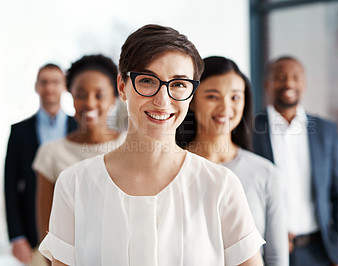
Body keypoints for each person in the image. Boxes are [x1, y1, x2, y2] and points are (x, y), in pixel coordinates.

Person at [38, 25, 264, 266]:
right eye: (147, 80)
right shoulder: (74, 184)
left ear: (191, 94)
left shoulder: (221, 186)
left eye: (178, 84)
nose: (162, 100)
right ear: (122, 87)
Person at [176, 56, 288, 266]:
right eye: (212, 96)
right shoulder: (170, 169)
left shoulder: (266, 174)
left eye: (235, 97)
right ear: (191, 101)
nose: (225, 107)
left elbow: (276, 257)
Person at [252, 56, 338, 266]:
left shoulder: (326, 130)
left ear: (304, 83)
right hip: (266, 250)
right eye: (280, 77)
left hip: (319, 251)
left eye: (295, 77)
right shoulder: (249, 129)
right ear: (267, 84)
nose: (289, 83)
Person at [32, 54, 125, 246]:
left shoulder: (130, 147)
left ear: (114, 98)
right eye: (81, 95)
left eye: (99, 95)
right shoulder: (51, 153)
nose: (89, 103)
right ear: (71, 95)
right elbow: (47, 232)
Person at [4, 64, 77, 265]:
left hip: (75, 235)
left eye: (55, 82)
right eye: (44, 82)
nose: (49, 88)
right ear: (36, 87)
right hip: (33, 236)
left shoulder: (79, 128)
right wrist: (16, 237)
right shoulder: (19, 131)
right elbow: (10, 186)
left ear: (64, 87)